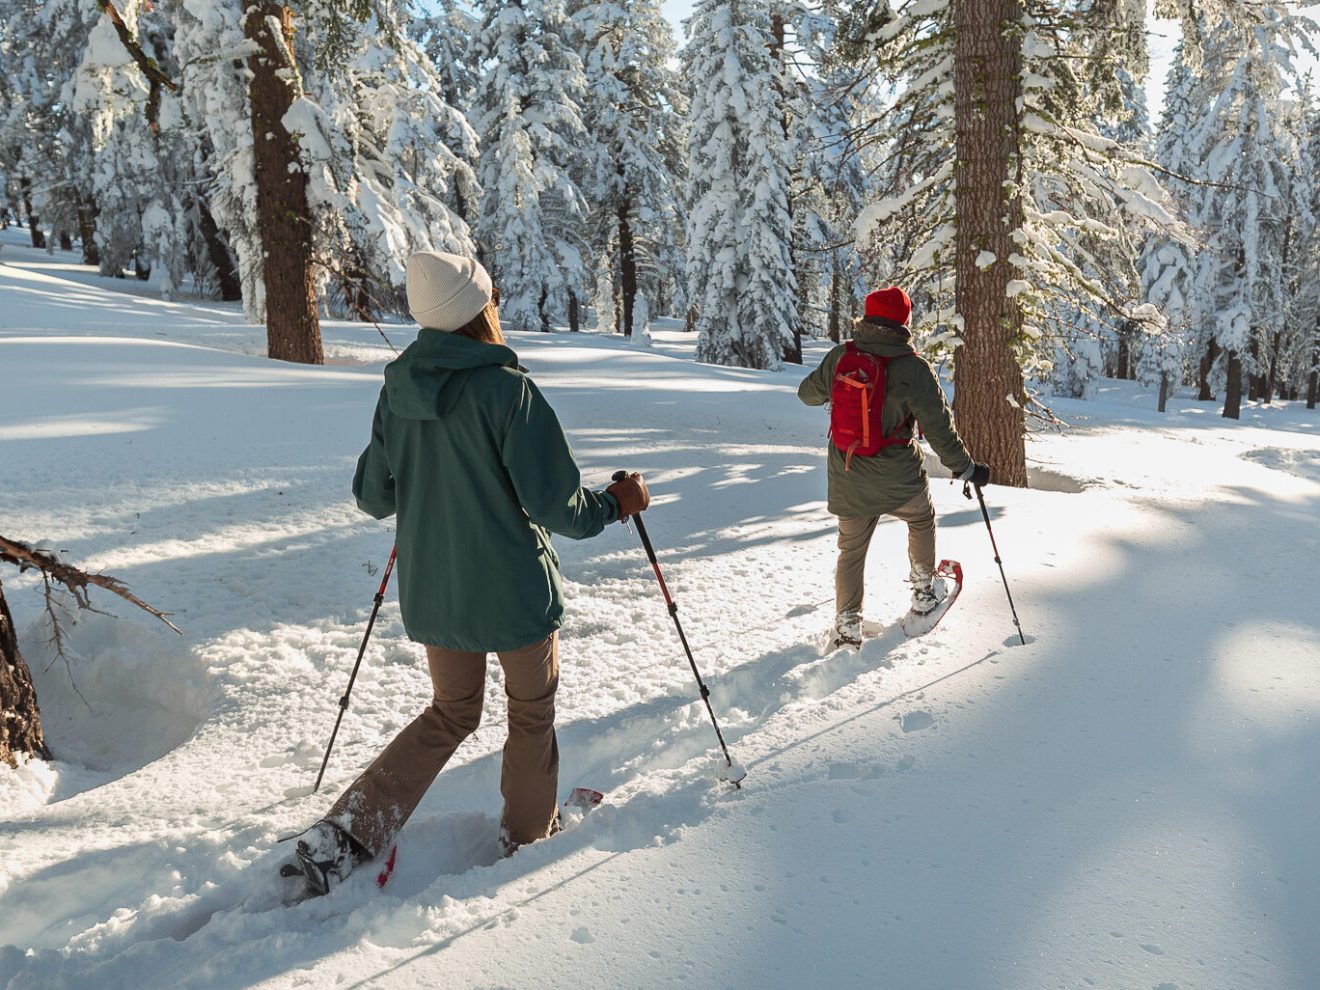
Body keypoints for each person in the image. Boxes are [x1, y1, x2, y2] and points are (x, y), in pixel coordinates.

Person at [291, 250, 649, 896]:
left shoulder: (397, 392)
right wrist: (617, 504)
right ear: (478, 311)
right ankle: (527, 840)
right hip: (513, 594)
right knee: (531, 713)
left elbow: (373, 494)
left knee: (451, 711)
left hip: (436, 592)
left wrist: (419, 469)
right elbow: (559, 508)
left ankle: (346, 831)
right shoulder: (509, 391)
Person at [797, 286, 989, 651]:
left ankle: (848, 625)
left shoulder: (841, 356)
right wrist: (966, 469)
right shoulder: (914, 369)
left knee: (851, 552)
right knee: (920, 520)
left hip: (848, 473)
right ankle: (922, 593)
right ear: (904, 322)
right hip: (899, 477)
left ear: (867, 319)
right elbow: (940, 431)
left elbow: (806, 395)